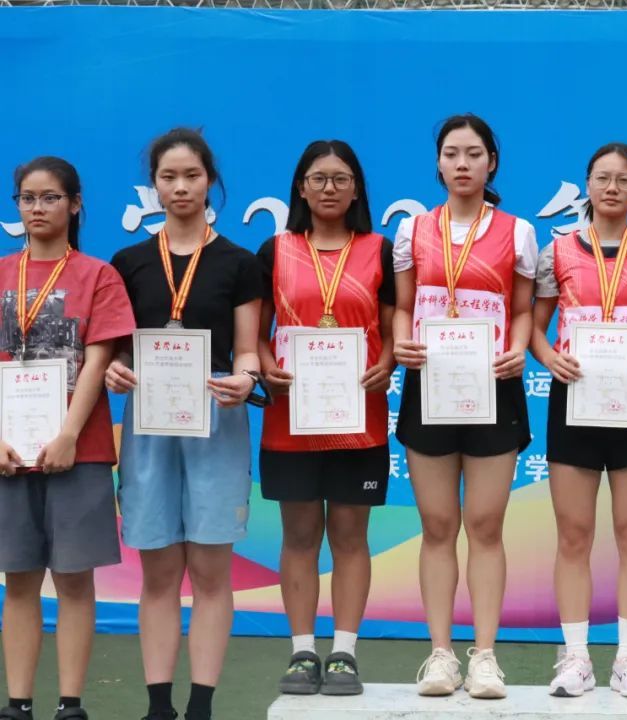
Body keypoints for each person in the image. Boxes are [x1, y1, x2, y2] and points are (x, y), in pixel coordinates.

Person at [105, 129, 263, 720]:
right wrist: (116, 369)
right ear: (153, 185)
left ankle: (201, 704)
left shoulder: (240, 263)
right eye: (168, 177)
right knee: (159, 571)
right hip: (148, 426)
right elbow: (116, 351)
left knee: (211, 571)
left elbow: (247, 349)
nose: (180, 187)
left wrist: (246, 379)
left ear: (209, 181)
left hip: (216, 420)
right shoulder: (129, 263)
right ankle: (158, 706)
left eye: (191, 176)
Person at [392, 114, 536, 699]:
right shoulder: (413, 231)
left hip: (493, 386)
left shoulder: (518, 232)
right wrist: (401, 341)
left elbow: (523, 309)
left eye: (474, 154)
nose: (462, 164)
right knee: (437, 525)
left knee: (485, 525)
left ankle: (485, 657)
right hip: (430, 386)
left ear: (491, 163)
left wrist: (519, 348)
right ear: (438, 162)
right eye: (451, 153)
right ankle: (440, 655)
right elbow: (403, 307)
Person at [530, 142, 627, 699]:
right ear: (587, 185)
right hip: (575, 400)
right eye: (602, 178)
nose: (612, 188)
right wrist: (549, 356)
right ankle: (576, 658)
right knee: (574, 533)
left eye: (623, 179)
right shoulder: (557, 252)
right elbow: (535, 325)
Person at [256, 140, 395, 696]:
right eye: (318, 178)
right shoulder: (276, 250)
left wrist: (387, 364)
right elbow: (256, 333)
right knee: (298, 535)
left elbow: (394, 325)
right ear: (301, 187)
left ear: (356, 188)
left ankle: (343, 653)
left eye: (340, 179)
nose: (329, 188)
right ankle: (302, 652)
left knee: (350, 535)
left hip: (359, 418)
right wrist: (267, 366)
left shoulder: (380, 249)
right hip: (292, 419)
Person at [0, 157, 135, 720]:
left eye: (50, 197)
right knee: (19, 581)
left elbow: (97, 361)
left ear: (75, 204)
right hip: (9, 454)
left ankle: (70, 704)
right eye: (27, 198)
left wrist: (68, 435)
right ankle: (18, 702)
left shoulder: (98, 276)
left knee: (75, 581)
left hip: (79, 450)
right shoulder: (2, 273)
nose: (37, 208)